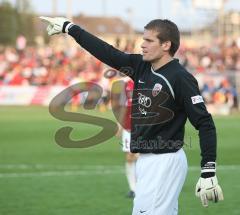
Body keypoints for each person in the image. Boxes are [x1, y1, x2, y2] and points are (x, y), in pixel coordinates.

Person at [40, 16, 224, 214]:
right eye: (143, 39)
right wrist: (71, 28)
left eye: (149, 40)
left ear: (166, 45)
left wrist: (208, 170)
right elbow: (107, 52)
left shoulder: (180, 78)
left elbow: (205, 123)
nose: (142, 45)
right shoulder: (141, 66)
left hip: (164, 162)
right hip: (145, 161)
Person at [116, 76, 138, 198]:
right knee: (130, 157)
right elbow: (123, 106)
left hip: (143, 127)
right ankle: (133, 189)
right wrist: (119, 125)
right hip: (128, 127)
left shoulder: (147, 80)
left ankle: (144, 185)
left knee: (140, 156)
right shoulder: (126, 84)